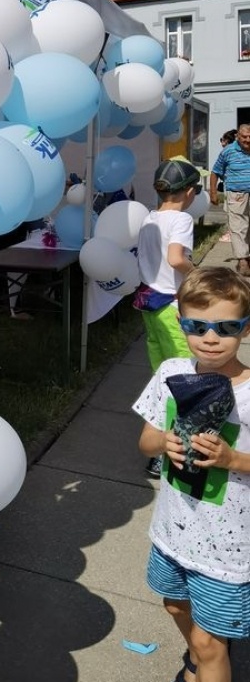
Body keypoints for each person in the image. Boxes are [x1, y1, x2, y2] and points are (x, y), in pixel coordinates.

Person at [134, 265, 250, 682]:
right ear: (182, 324)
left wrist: (234, 459)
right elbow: (145, 437)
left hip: (229, 548)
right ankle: (195, 664)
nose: (211, 338)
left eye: (225, 328)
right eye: (199, 325)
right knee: (174, 605)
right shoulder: (173, 372)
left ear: (245, 330)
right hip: (174, 531)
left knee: (212, 644)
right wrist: (166, 446)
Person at [135, 158, 200, 477]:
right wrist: (198, 272)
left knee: (163, 379)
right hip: (172, 308)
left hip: (149, 305)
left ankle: (158, 448)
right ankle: (175, 451)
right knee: (188, 381)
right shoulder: (182, 219)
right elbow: (176, 259)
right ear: (188, 192)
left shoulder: (149, 217)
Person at [210, 124, 250, 273]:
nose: (248, 140)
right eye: (244, 137)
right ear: (238, 137)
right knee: (237, 227)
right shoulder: (228, 151)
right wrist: (213, 193)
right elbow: (215, 172)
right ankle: (242, 260)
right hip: (236, 194)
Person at [216, 130, 238, 241]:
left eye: (222, 139)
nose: (221, 142)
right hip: (235, 185)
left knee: (230, 210)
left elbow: (218, 170)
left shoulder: (227, 152)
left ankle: (231, 233)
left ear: (227, 141)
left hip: (231, 185)